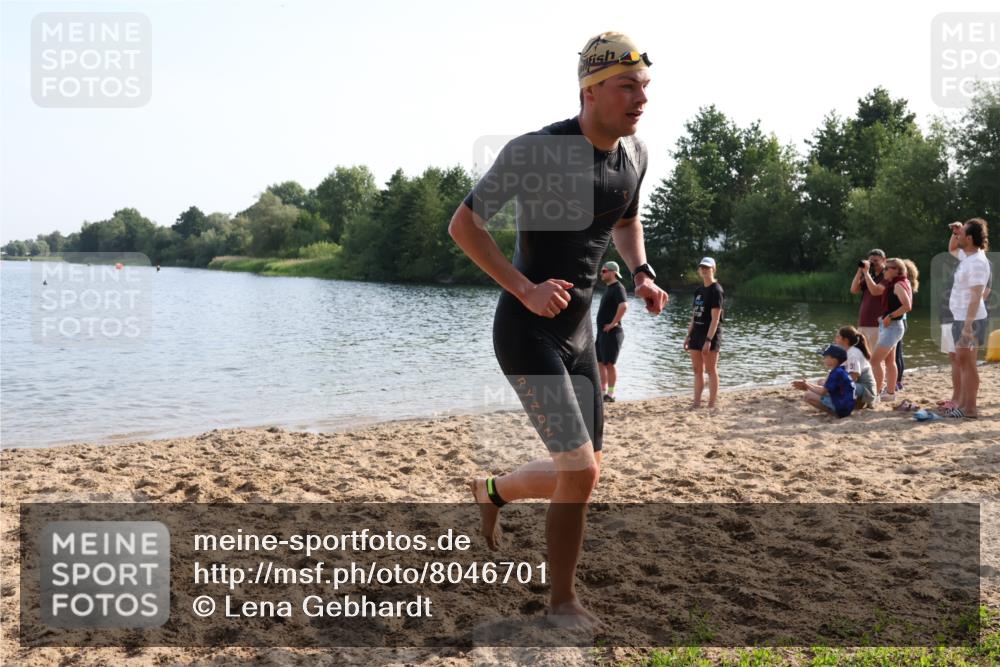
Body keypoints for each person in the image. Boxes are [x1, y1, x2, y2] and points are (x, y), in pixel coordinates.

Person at [448, 31, 668, 628]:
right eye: (628, 86)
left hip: (580, 338)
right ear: (591, 90)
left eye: (645, 86)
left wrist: (643, 273)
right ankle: (562, 604)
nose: (641, 98)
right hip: (526, 330)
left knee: (582, 472)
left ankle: (489, 491)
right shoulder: (537, 151)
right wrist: (525, 288)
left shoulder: (636, 155)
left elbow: (626, 219)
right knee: (581, 471)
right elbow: (464, 226)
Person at [945, 218, 991, 418]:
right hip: (961, 318)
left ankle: (970, 409)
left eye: (962, 233)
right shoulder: (968, 256)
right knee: (963, 362)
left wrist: (968, 326)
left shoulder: (978, 263)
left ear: (970, 238)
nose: (958, 236)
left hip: (970, 320)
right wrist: (955, 232)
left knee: (968, 364)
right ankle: (963, 405)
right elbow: (952, 249)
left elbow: (976, 297)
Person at [869, 258, 917, 402]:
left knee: (874, 361)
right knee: (890, 362)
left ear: (897, 271)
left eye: (887, 268)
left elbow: (907, 306)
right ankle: (889, 394)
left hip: (893, 327)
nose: (884, 270)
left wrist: (890, 315)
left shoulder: (898, 285)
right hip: (891, 326)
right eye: (884, 268)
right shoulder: (902, 282)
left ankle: (876, 394)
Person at [683, 257, 723, 408]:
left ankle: (711, 404)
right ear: (699, 270)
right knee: (697, 370)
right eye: (702, 267)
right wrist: (688, 335)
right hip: (696, 333)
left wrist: (708, 340)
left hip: (710, 334)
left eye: (707, 267)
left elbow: (715, 319)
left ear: (713, 269)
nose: (704, 270)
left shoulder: (716, 290)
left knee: (711, 370)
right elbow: (694, 315)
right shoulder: (698, 291)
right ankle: (696, 402)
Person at [595, 260, 628, 402]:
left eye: (604, 271)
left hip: (613, 333)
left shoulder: (618, 288)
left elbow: (624, 306)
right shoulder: (609, 288)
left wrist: (613, 324)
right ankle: (603, 391)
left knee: (609, 364)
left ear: (613, 272)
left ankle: (611, 393)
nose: (601, 273)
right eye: (601, 271)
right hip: (602, 333)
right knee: (600, 362)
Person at [791, 345, 856, 417]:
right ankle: (836, 411)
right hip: (848, 406)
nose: (823, 359)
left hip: (843, 409)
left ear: (834, 360)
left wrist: (806, 385)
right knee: (814, 390)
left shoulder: (836, 373)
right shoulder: (841, 370)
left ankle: (834, 413)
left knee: (808, 396)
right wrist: (807, 384)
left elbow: (822, 392)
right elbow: (826, 389)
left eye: (825, 357)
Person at [850, 249, 887, 361]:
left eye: (876, 261)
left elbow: (875, 291)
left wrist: (866, 273)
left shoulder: (887, 276)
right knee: (862, 354)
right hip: (864, 321)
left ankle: (875, 378)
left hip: (877, 323)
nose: (872, 264)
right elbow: (853, 290)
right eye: (870, 261)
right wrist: (860, 272)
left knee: (875, 358)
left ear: (884, 260)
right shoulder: (869, 276)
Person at [836, 326, 877, 409]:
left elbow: (853, 377)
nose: (835, 339)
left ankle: (857, 403)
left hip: (866, 392)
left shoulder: (853, 354)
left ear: (846, 340)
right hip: (861, 388)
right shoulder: (849, 351)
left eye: (838, 337)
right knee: (824, 382)